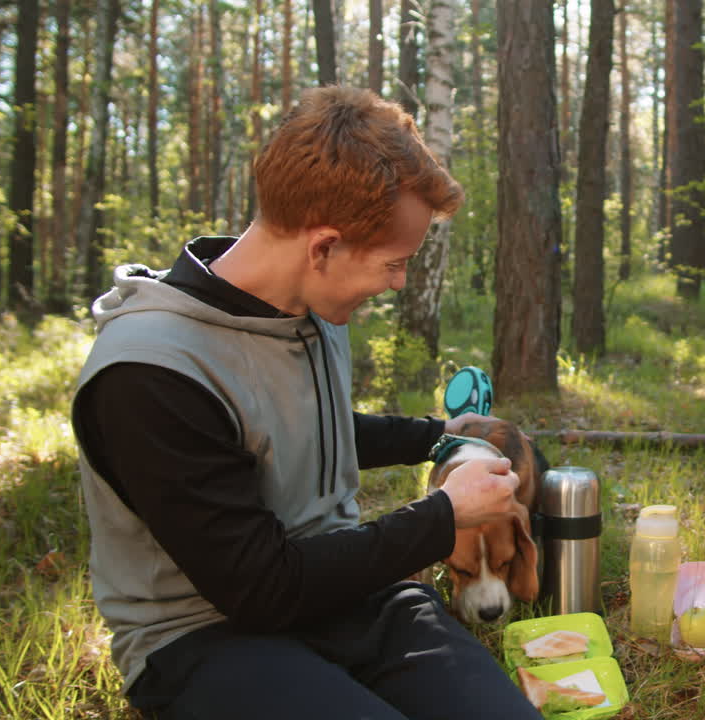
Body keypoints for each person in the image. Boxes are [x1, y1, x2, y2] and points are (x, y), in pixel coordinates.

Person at [71, 86, 542, 720]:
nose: (399, 283)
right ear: (322, 247)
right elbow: (260, 589)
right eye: (394, 263)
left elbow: (297, 433)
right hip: (206, 635)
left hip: (347, 593)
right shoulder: (150, 374)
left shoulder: (312, 310)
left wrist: (436, 436)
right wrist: (441, 516)